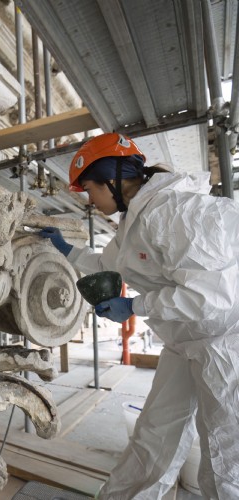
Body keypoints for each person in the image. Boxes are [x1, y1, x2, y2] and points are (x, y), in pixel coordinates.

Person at [39, 133, 239, 499]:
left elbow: (213, 295)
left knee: (227, 456)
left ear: (111, 181)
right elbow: (107, 262)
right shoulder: (137, 220)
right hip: (186, 342)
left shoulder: (175, 212)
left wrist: (135, 307)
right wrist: (67, 250)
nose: (89, 200)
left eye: (90, 190)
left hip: (226, 343)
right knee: (156, 433)